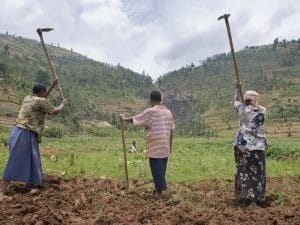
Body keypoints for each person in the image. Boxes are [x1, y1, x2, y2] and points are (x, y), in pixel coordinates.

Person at [0, 80, 66, 195]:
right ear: (41, 92)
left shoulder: (27, 98)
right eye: (44, 92)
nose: (45, 94)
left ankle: (35, 183)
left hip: (16, 131)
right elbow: (55, 111)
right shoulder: (41, 101)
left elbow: (42, 98)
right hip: (25, 133)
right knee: (15, 159)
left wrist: (52, 86)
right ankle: (2, 190)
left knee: (33, 158)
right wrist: (63, 104)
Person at [120, 91, 175, 197]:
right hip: (165, 145)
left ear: (150, 100)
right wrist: (170, 146)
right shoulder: (168, 112)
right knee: (161, 169)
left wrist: (123, 119)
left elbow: (135, 119)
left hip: (155, 147)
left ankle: (159, 193)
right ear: (161, 99)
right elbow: (172, 130)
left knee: (156, 169)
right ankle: (160, 189)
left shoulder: (151, 112)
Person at [233, 83, 267, 206]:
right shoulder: (262, 111)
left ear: (246, 99)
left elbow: (236, 101)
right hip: (257, 147)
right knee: (258, 171)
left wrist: (237, 89)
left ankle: (246, 195)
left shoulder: (241, 109)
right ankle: (257, 197)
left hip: (241, 146)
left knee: (243, 170)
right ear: (256, 100)